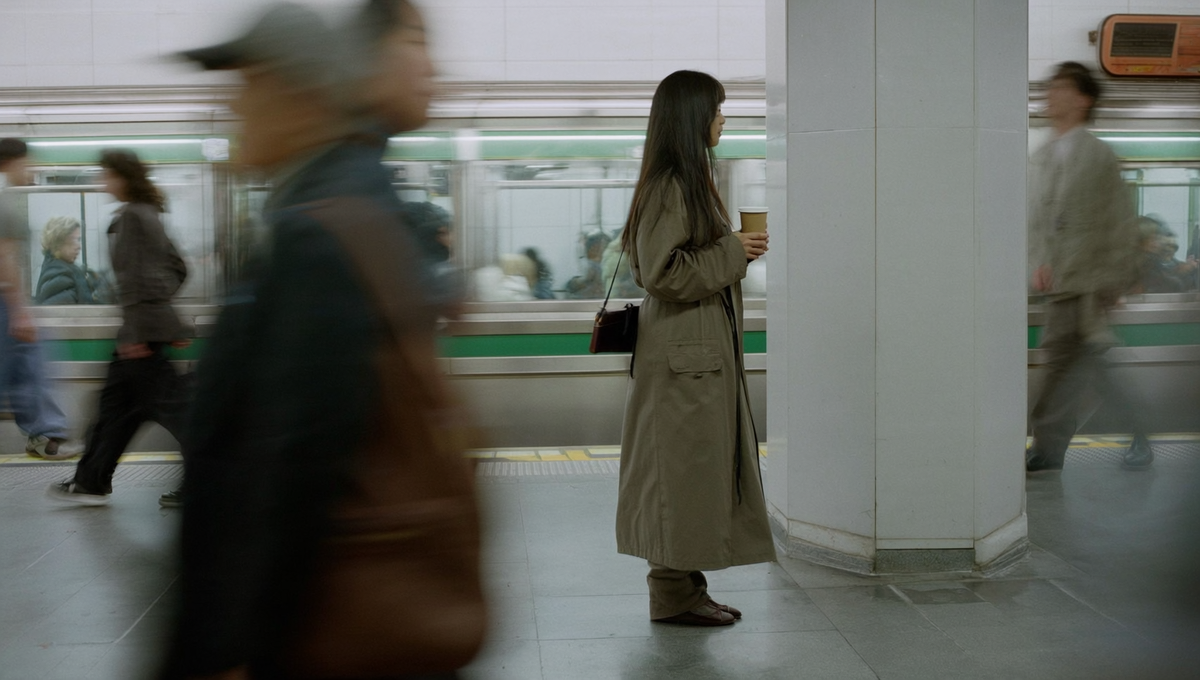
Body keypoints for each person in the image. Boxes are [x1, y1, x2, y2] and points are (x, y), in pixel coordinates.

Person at [159, 3, 484, 678]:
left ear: (299, 95)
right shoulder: (337, 209)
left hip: (314, 630)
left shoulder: (316, 232)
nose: (234, 106)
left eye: (248, 84)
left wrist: (232, 648)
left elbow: (291, 465)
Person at [615, 70, 772, 627]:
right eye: (718, 109)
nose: (724, 118)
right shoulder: (670, 184)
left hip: (695, 355)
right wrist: (732, 250)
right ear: (692, 118)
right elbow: (663, 272)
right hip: (685, 358)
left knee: (688, 476)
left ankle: (682, 591)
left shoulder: (686, 179)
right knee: (679, 478)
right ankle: (674, 595)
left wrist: (734, 253)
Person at [1026, 62, 1152, 473]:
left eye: (1060, 87)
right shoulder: (1043, 155)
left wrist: (1118, 279)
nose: (1051, 94)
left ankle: (1135, 435)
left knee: (1080, 367)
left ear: (1083, 99)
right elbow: (1040, 222)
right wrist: (1038, 262)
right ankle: (1050, 448)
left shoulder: (1098, 154)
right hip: (1060, 283)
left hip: (1088, 284)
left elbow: (1119, 221)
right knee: (1065, 368)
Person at [47, 149, 191, 506]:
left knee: (181, 415)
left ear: (122, 177)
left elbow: (135, 281)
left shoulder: (131, 217)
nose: (102, 182)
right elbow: (178, 268)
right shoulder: (149, 214)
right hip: (142, 330)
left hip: (138, 336)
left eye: (106, 175)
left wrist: (141, 329)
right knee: (115, 409)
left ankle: (209, 482)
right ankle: (90, 480)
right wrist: (161, 315)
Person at [0, 138, 80, 460]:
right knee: (31, 354)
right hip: (4, 302)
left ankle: (44, 433)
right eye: (29, 163)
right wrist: (19, 310)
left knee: (22, 362)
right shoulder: (3, 201)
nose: (32, 170)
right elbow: (3, 257)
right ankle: (45, 434)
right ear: (14, 161)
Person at [34, 216, 101, 304]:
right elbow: (64, 314)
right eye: (74, 240)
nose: (79, 247)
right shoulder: (59, 274)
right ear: (58, 243)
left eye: (79, 240)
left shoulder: (64, 271)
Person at [565, 230, 609, 298]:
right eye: (595, 248)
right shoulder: (587, 267)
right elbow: (572, 287)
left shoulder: (613, 268)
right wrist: (581, 281)